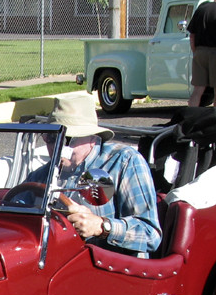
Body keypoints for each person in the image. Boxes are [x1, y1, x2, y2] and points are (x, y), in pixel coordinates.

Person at [41, 94, 161, 257]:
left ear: (92, 137)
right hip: (56, 266)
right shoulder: (43, 174)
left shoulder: (123, 161)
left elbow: (150, 234)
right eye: (51, 138)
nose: (58, 147)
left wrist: (102, 226)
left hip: (110, 269)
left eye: (67, 139)